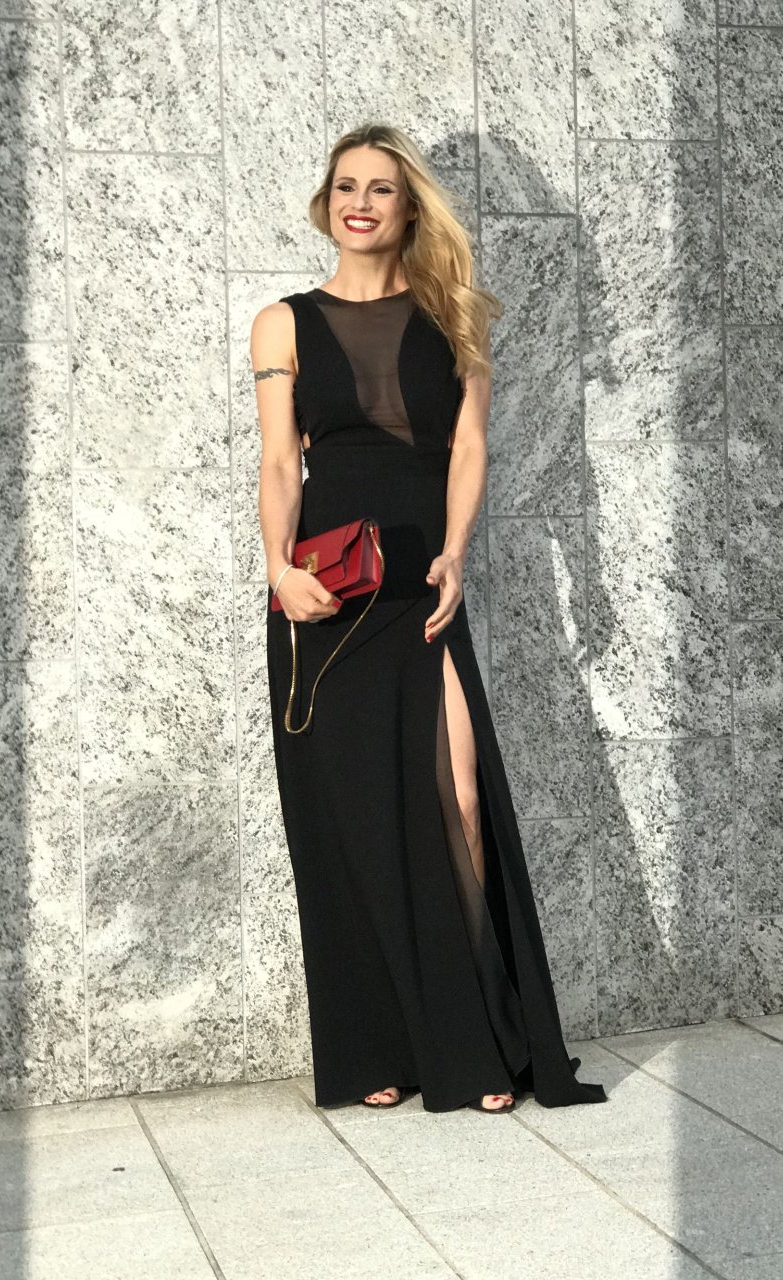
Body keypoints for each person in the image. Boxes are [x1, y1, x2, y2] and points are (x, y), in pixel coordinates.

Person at [252, 122, 607, 1113]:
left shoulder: (455, 312)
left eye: (381, 188)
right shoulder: (281, 324)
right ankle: (378, 1047)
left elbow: (469, 446)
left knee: (457, 796)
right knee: (353, 819)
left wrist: (456, 550)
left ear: (409, 207)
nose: (360, 203)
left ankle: (480, 1040)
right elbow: (280, 461)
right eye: (345, 186)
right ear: (326, 202)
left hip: (423, 577)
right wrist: (277, 569)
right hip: (326, 587)